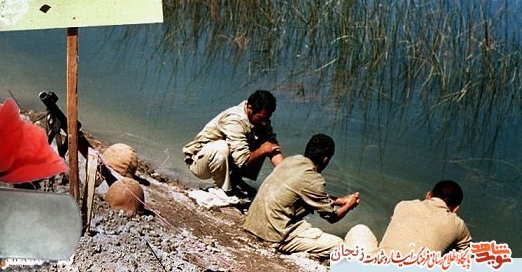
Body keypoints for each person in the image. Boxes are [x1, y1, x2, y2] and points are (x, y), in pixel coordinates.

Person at [244, 133, 378, 261]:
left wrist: (339, 200)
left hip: (253, 225)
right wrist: (349, 205)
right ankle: (304, 254)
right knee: (338, 245)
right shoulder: (313, 179)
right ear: (326, 159)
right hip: (273, 236)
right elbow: (332, 217)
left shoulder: (291, 161)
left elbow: (308, 192)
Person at [182, 90, 284, 203]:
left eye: (267, 118)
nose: (265, 122)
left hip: (223, 161)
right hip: (200, 163)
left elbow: (272, 147)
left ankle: (235, 180)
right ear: (250, 108)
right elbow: (243, 160)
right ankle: (222, 190)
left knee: (263, 144)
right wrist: (264, 149)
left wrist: (288, 171)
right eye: (261, 118)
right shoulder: (235, 119)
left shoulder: (261, 121)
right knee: (223, 147)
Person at [377, 180, 472, 255]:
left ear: (429, 195)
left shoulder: (403, 205)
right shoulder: (458, 225)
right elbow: (465, 253)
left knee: (365, 231)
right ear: (455, 208)